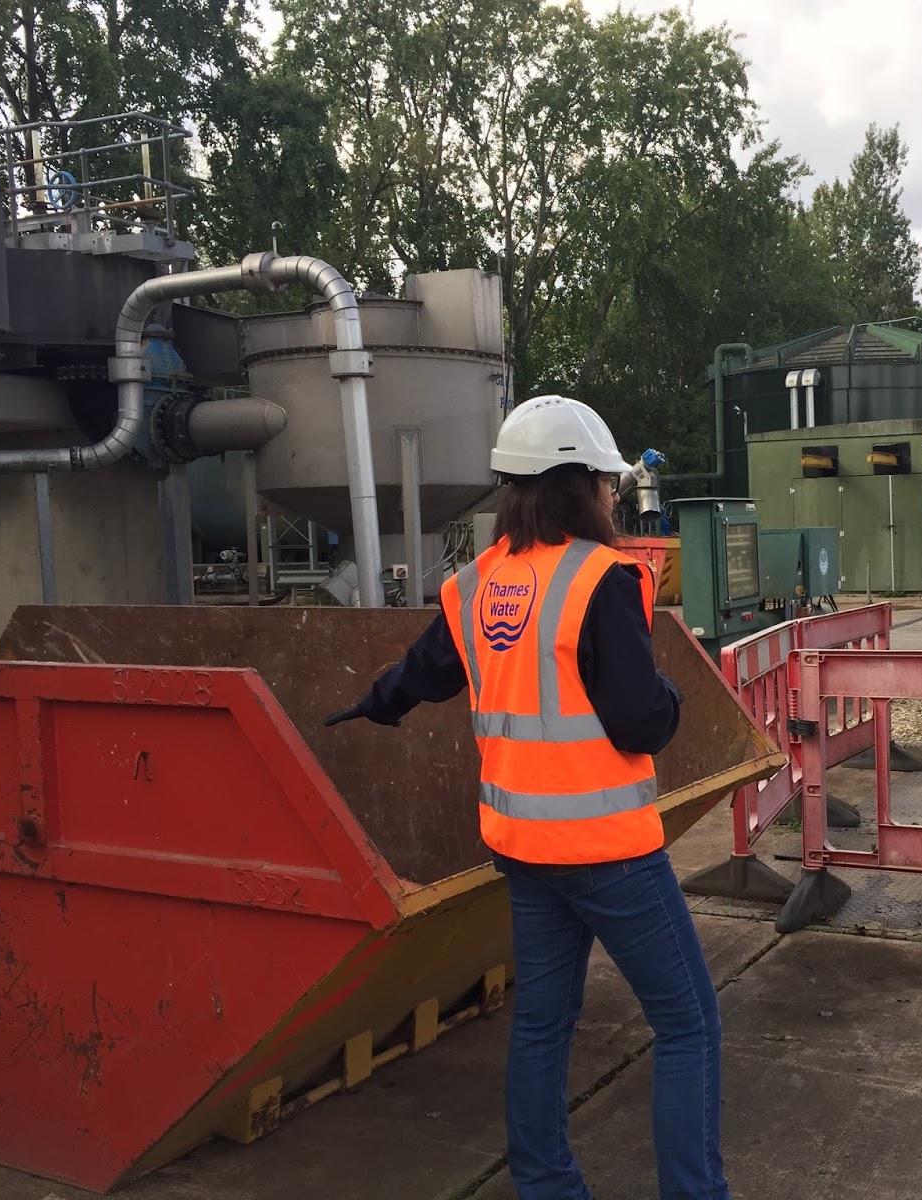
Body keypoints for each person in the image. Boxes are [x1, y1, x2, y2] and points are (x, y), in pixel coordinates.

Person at [326, 394, 728, 1199]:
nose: (614, 496)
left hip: (524, 850)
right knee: (688, 1028)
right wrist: (676, 698)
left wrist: (374, 700)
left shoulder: (478, 584)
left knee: (544, 1026)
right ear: (578, 485)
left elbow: (424, 673)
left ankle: (546, 1188)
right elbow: (641, 720)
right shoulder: (599, 577)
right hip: (610, 854)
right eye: (607, 483)